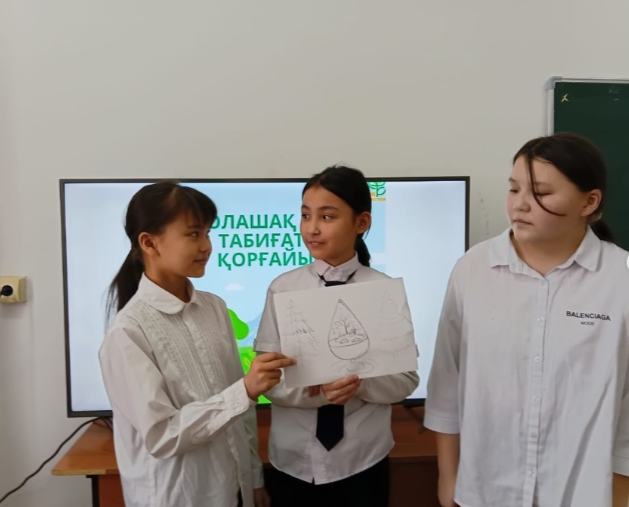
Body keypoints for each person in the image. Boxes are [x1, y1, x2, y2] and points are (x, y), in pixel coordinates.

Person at [425, 133, 629, 507]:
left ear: (589, 201)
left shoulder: (621, 277)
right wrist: (448, 475)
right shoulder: (474, 268)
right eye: (514, 189)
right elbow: (446, 382)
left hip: (585, 492)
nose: (519, 204)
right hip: (485, 490)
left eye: (540, 193)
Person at [99, 181, 295, 507]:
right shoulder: (128, 332)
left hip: (234, 488)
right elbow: (162, 435)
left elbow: (241, 412)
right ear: (149, 242)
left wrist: (253, 477)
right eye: (193, 234)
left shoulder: (214, 307)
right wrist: (245, 390)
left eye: (207, 233)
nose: (206, 246)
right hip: (178, 498)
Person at [254, 165, 419, 507]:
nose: (312, 228)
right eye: (305, 215)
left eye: (327, 217)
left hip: (363, 462)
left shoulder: (383, 290)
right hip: (292, 462)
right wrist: (317, 394)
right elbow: (267, 378)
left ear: (361, 222)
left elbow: (405, 381)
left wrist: (361, 384)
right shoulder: (283, 288)